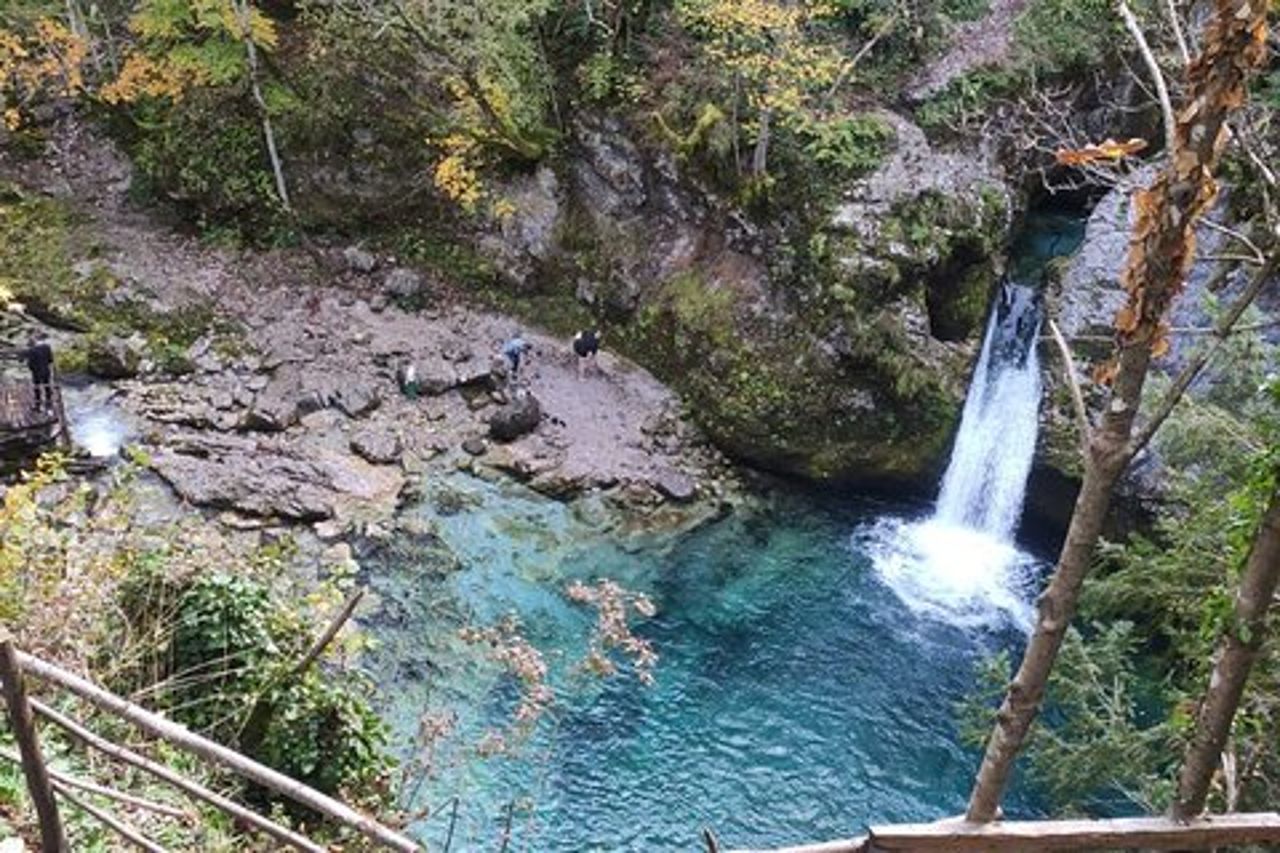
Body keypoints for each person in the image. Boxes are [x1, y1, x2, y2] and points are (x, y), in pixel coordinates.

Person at [24, 335, 54, 412]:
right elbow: (50, 360)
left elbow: (30, 364)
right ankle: (49, 403)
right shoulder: (47, 347)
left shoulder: (31, 351)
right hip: (46, 370)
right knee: (47, 386)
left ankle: (38, 405)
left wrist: (32, 369)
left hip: (36, 372)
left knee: (37, 388)